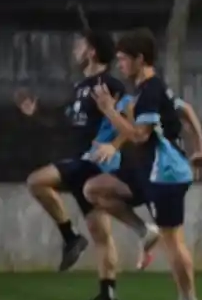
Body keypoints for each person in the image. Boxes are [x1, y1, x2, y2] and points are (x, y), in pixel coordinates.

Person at [87, 29, 201, 300]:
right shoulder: (148, 90)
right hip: (145, 172)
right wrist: (201, 148)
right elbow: (185, 111)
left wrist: (109, 111)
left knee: (173, 240)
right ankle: (143, 230)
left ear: (140, 59)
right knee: (95, 190)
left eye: (124, 59)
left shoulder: (151, 91)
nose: (120, 65)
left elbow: (139, 135)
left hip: (166, 175)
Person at [18, 30, 133, 275]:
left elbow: (128, 125)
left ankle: (70, 235)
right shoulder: (80, 87)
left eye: (80, 45)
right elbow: (65, 122)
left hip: (93, 164)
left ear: (91, 52)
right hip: (80, 162)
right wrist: (36, 114)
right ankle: (107, 291)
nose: (74, 50)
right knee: (100, 232)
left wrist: (113, 146)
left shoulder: (111, 86)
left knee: (36, 181)